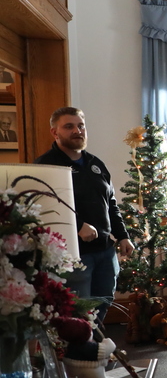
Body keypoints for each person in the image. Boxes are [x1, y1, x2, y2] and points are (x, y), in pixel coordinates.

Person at [35, 107, 134, 324]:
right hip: (74, 256)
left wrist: (123, 235)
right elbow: (44, 208)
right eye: (68, 126)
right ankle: (79, 356)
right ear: (55, 132)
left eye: (80, 125)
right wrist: (77, 225)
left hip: (105, 251)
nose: (77, 131)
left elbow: (111, 205)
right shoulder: (45, 166)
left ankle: (94, 354)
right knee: (77, 314)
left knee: (103, 305)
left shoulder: (96, 164)